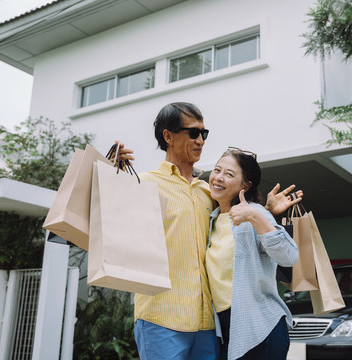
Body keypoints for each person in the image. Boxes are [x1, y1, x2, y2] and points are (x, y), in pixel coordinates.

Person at [115, 102, 302, 360]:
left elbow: (239, 218)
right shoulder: (145, 184)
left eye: (204, 133)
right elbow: (109, 224)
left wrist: (264, 210)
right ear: (168, 136)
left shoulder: (207, 193)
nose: (200, 140)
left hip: (208, 326)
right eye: (193, 133)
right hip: (161, 317)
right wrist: (109, 174)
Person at [206, 147, 299, 360]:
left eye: (229, 174)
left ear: (245, 185)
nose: (218, 178)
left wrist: (256, 216)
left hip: (261, 327)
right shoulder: (212, 217)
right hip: (225, 328)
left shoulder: (254, 214)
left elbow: (289, 256)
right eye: (217, 170)